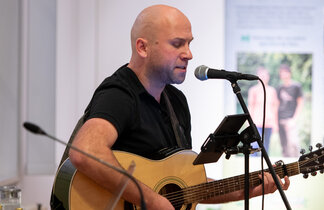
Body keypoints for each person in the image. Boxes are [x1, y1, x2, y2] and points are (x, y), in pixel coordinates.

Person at [65, 5, 289, 210]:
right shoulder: (120, 93)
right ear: (142, 47)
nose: (189, 54)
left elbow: (186, 188)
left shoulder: (176, 102)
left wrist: (247, 189)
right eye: (177, 44)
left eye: (189, 43)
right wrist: (151, 200)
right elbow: (85, 152)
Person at [248, 66, 279, 155]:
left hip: (269, 123)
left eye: (266, 75)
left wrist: (275, 123)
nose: (264, 77)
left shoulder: (272, 90)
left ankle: (265, 168)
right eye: (262, 75)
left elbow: (274, 108)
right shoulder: (253, 90)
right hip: (257, 123)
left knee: (266, 148)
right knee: (254, 147)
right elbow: (250, 106)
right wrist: (249, 122)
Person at [277, 64, 303, 157]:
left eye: (285, 72)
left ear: (289, 73)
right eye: (281, 73)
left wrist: (294, 120)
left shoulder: (296, 86)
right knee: (284, 146)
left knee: (293, 144)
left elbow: (300, 103)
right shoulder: (280, 87)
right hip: (280, 119)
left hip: (291, 119)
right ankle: (286, 168)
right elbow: (277, 104)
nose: (283, 75)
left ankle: (297, 164)